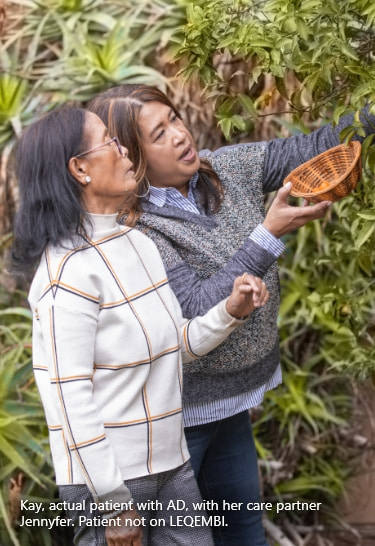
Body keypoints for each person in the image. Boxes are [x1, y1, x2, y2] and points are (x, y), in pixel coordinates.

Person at [87, 84, 375, 546]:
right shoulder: (136, 230)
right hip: (174, 422)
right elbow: (199, 309)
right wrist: (267, 233)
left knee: (243, 531)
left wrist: (371, 113)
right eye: (159, 134)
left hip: (232, 406)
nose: (180, 135)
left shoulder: (227, 169)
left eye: (175, 119)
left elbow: (317, 146)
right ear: (133, 158)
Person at [11, 106, 270, 546]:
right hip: (105, 485)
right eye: (110, 143)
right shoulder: (65, 274)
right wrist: (113, 503)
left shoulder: (138, 243)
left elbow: (175, 344)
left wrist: (230, 311)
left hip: (171, 468)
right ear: (80, 169)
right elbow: (68, 398)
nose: (124, 150)